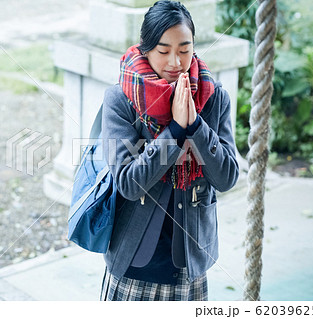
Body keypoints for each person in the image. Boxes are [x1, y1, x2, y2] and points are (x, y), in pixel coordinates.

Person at [99, 0, 239, 301]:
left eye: (184, 50)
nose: (175, 62)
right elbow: (127, 182)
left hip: (189, 263)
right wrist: (174, 132)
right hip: (135, 263)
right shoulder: (121, 99)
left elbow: (226, 177)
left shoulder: (213, 98)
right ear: (146, 48)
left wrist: (195, 127)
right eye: (163, 51)